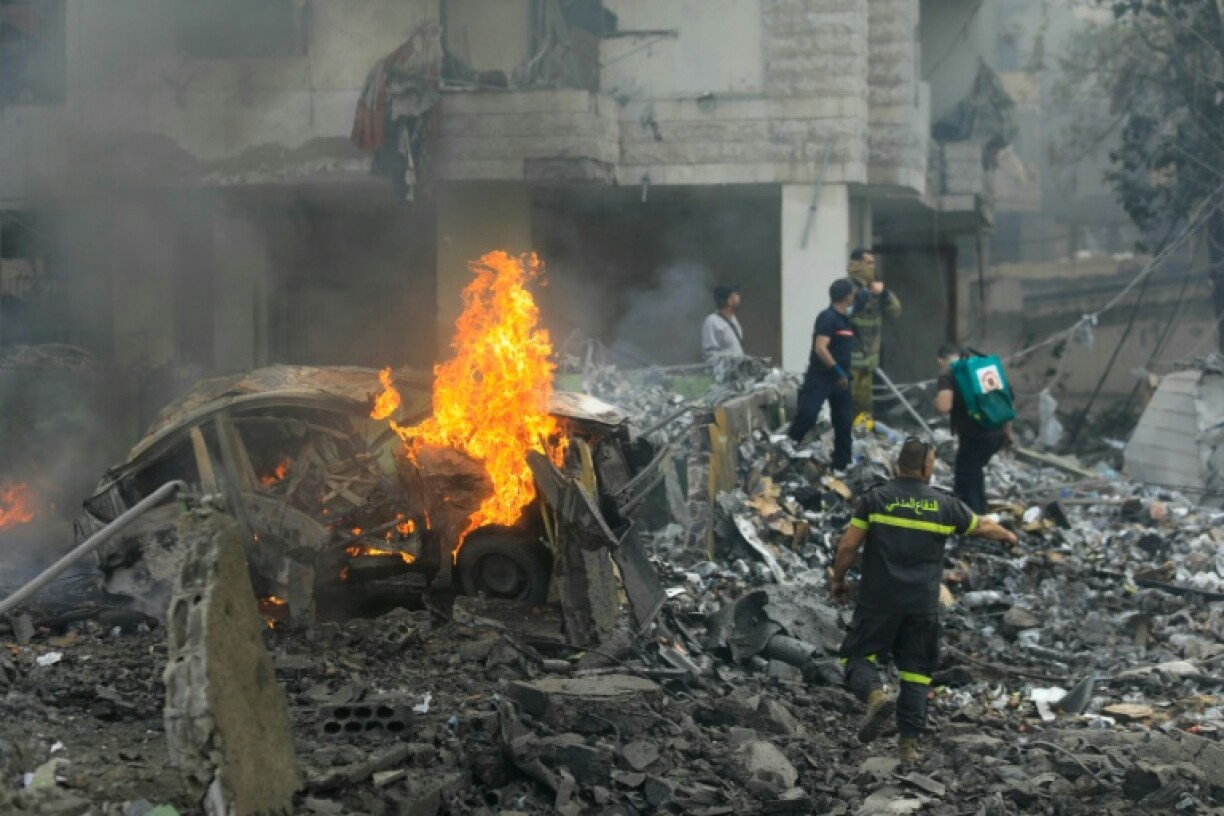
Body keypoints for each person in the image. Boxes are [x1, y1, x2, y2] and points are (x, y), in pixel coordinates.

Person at [830, 437, 1018, 763]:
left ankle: (875, 695)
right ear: (928, 467)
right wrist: (1009, 536)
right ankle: (908, 747)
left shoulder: (876, 500)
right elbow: (982, 525)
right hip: (921, 605)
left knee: (857, 658)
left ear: (896, 465)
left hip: (878, 600)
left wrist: (838, 579)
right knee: (916, 673)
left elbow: (848, 546)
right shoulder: (943, 505)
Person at [934, 343, 1012, 514]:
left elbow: (943, 406)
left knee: (965, 478)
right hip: (997, 433)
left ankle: (972, 521)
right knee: (974, 472)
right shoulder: (983, 368)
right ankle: (981, 511)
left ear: (940, 360)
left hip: (975, 436)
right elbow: (1003, 400)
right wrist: (1008, 433)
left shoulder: (948, 373)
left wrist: (937, 402)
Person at [788, 278, 856, 470]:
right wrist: (837, 371)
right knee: (807, 415)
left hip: (841, 381)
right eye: (852, 294)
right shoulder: (828, 318)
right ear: (847, 296)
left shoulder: (845, 320)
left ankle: (842, 464)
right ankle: (787, 452)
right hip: (821, 378)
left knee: (843, 422)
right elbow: (820, 348)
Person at [847, 249, 902, 420]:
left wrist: (884, 294)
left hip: (869, 362)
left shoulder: (877, 290)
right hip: (851, 361)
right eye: (868, 263)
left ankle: (863, 440)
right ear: (856, 265)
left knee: (864, 410)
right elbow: (843, 314)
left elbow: (896, 311)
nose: (872, 267)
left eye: (873, 263)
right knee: (847, 406)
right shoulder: (848, 287)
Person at [701, 285, 745, 362]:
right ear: (728, 300)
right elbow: (710, 354)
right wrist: (731, 360)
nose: (739, 297)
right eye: (735, 295)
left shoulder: (734, 319)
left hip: (736, 371)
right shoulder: (712, 321)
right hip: (723, 372)